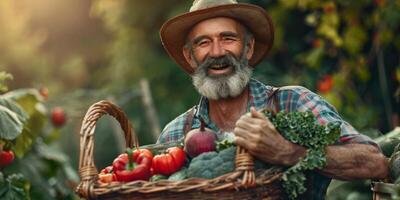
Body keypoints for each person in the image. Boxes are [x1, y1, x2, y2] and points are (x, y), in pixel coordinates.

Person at [157, 0, 388, 198]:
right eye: (203, 42)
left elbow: (374, 162)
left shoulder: (293, 103)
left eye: (228, 38)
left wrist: (290, 152)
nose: (217, 52)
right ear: (190, 56)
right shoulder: (175, 133)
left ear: (248, 48)